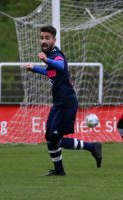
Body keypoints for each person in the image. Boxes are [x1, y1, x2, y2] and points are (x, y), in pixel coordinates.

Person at [25, 25, 102, 176]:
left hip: (66, 102)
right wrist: (34, 68)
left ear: (54, 39)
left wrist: (46, 59)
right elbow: (51, 72)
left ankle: (92, 147)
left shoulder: (56, 54)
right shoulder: (50, 56)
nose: (44, 41)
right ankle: (59, 170)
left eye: (47, 38)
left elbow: (60, 66)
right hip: (58, 103)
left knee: (55, 138)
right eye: (42, 38)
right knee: (49, 136)